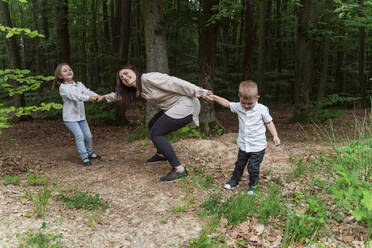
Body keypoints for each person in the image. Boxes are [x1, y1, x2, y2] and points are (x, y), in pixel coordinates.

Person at [97, 65, 213, 181]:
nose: (125, 77)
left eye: (126, 73)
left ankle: (179, 169)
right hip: (172, 107)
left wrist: (199, 91)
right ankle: (161, 155)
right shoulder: (137, 89)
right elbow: (121, 95)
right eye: (122, 78)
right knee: (152, 124)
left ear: (135, 71)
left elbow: (175, 82)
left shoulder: (148, 78)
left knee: (155, 134)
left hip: (185, 105)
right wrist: (103, 97)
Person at [211, 80, 280, 195]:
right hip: (243, 144)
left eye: (250, 104)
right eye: (244, 103)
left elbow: (269, 123)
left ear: (257, 98)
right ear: (239, 97)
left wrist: (275, 136)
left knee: (253, 167)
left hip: (258, 146)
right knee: (239, 164)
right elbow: (226, 103)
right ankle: (234, 181)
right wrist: (214, 97)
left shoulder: (262, 109)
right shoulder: (238, 107)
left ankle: (253, 186)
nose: (246, 106)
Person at [54, 63, 101, 166]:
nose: (68, 71)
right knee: (79, 136)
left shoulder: (79, 84)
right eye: (65, 71)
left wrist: (97, 96)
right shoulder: (63, 88)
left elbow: (87, 91)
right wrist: (89, 98)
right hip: (70, 118)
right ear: (60, 76)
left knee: (88, 136)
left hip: (81, 117)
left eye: (69, 69)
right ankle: (84, 158)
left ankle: (90, 153)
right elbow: (75, 96)